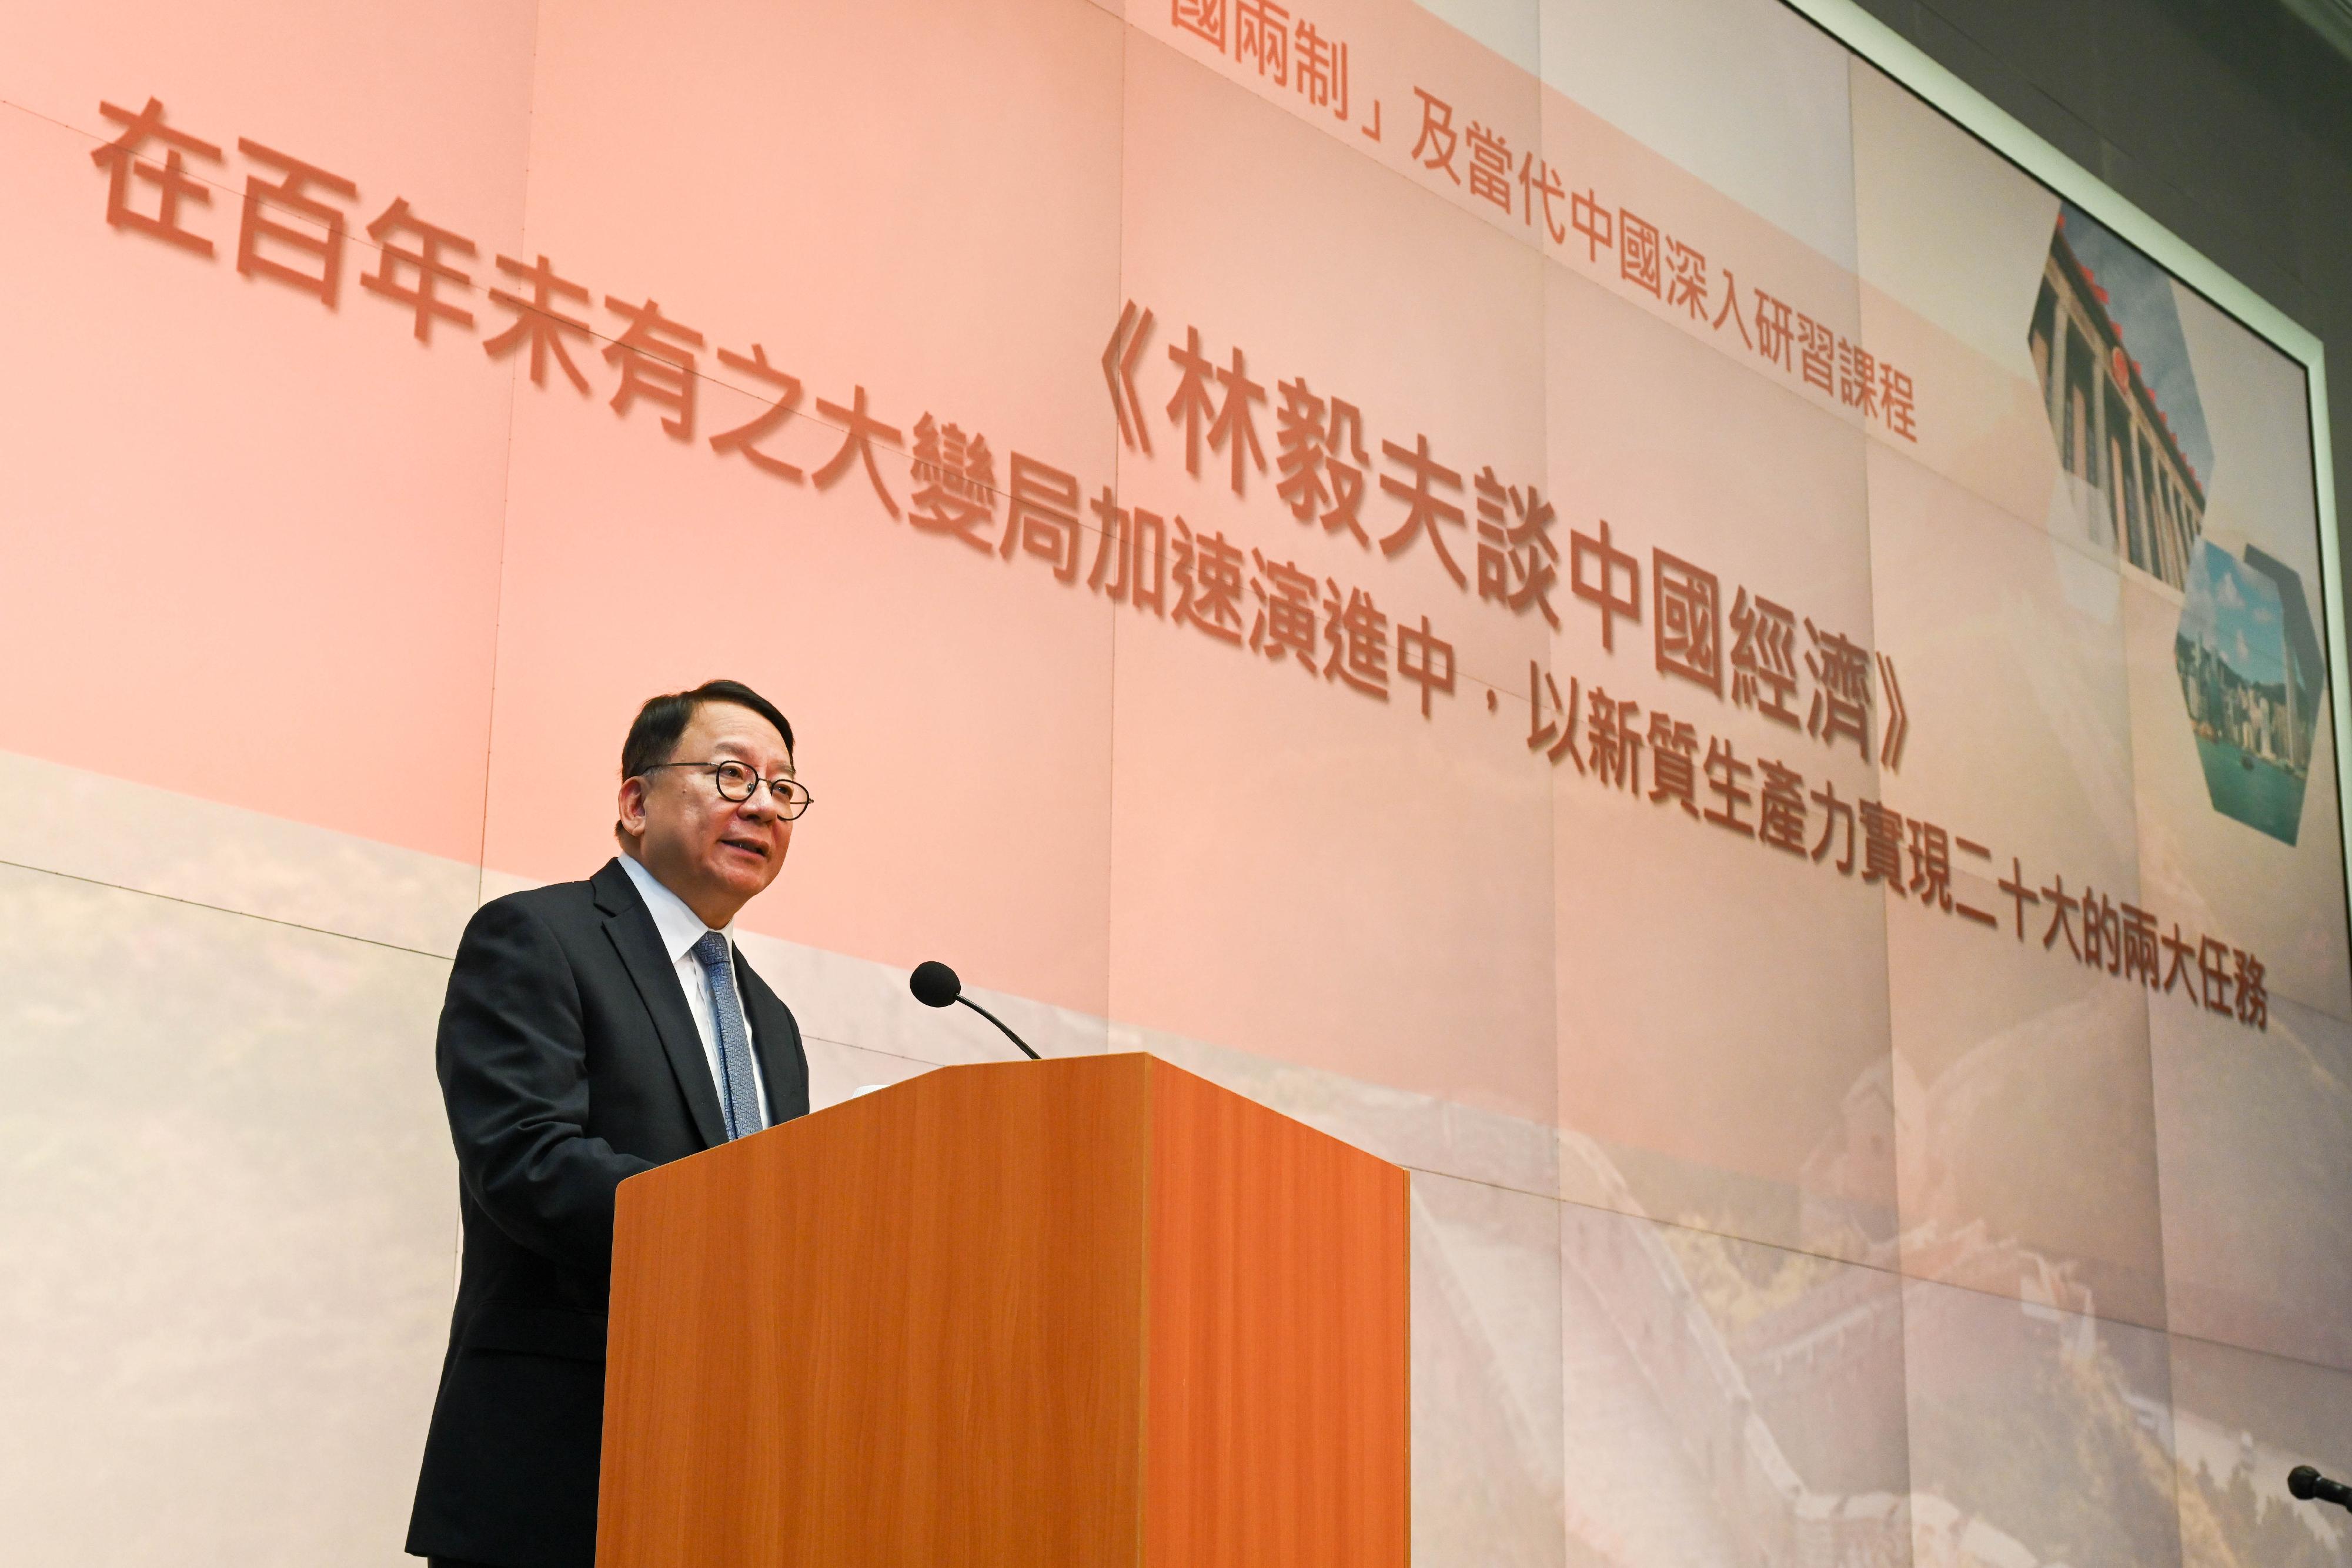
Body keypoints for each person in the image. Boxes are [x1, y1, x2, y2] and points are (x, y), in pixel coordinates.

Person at [405, 680, 813, 1568]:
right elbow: (527, 1159)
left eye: (784, 791)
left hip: (727, 1478)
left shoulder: (769, 1019)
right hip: (561, 1468)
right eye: (732, 776)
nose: (764, 809)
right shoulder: (538, 938)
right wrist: (745, 1225)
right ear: (635, 802)